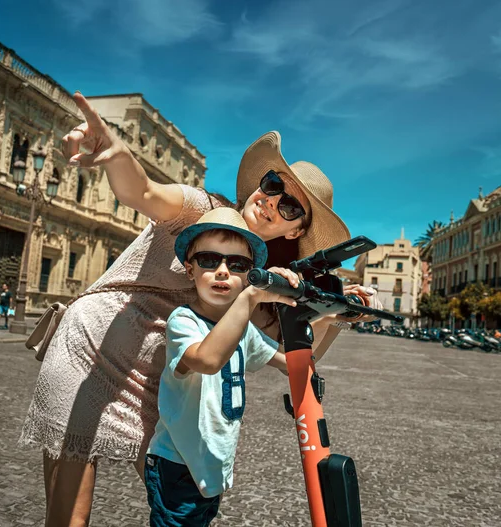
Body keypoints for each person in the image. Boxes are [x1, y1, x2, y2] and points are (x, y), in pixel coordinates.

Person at [19, 93, 381, 527]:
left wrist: (336, 313)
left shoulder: (261, 274)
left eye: (288, 205)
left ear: (297, 227)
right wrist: (115, 154)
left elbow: (298, 356)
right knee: (69, 509)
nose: (271, 200)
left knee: (180, 503)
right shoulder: (202, 208)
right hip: (91, 350)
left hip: (166, 379)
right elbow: (145, 190)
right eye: (272, 184)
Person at [145, 207, 295, 525]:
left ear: (249, 273)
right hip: (178, 464)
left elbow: (293, 362)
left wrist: (335, 315)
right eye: (210, 260)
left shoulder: (241, 328)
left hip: (212, 467)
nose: (223, 271)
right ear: (190, 269)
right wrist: (250, 299)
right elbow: (209, 360)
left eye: (237, 264)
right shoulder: (183, 321)